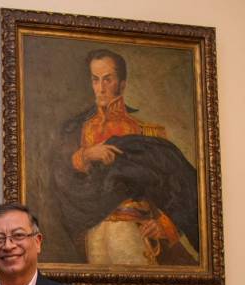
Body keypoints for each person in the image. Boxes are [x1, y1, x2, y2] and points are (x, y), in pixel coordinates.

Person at [52, 48, 200, 265]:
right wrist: (86, 155)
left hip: (134, 229)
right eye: (95, 80)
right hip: (93, 232)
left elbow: (178, 184)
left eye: (107, 80)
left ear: (122, 84)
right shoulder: (77, 131)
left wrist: (166, 225)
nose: (100, 88)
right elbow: (61, 177)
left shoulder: (146, 132)